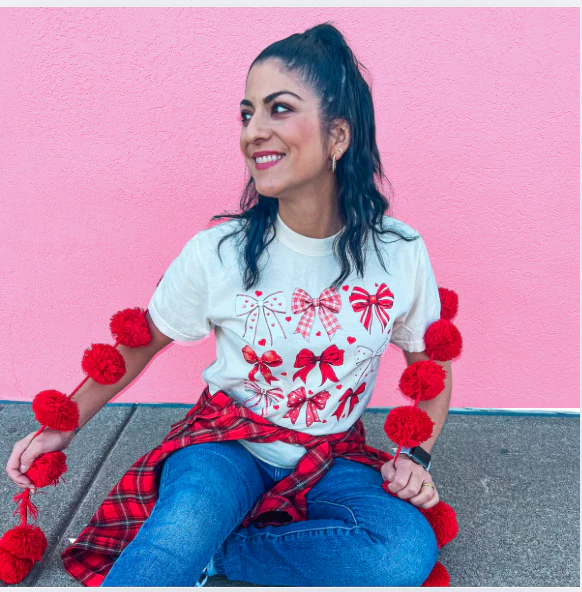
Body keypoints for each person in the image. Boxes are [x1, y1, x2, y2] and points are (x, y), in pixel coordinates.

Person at [5, 22, 452, 587]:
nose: (253, 133)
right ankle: (192, 541)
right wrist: (62, 428)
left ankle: (221, 553)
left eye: (278, 109)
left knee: (400, 552)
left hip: (333, 458)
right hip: (226, 446)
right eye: (246, 114)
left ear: (338, 135)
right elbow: (141, 341)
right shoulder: (218, 252)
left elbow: (428, 363)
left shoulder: (398, 252)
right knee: (176, 536)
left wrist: (416, 456)